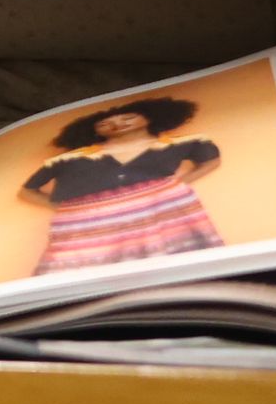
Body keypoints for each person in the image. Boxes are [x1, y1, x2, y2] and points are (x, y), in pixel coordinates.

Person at [21, 95, 224, 273]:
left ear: (150, 117)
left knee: (171, 266)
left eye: (128, 117)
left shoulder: (185, 143)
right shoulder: (68, 160)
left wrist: (175, 187)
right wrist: (64, 209)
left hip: (159, 214)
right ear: (93, 130)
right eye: (104, 123)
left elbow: (211, 160)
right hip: (88, 226)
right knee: (77, 271)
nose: (117, 124)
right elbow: (28, 190)